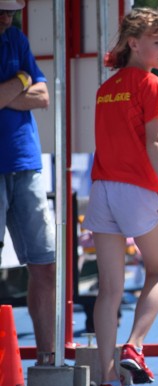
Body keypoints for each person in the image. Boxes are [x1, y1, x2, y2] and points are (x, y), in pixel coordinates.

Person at [82, 7, 158, 386]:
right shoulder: (150, 83)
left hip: (102, 189)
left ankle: (108, 380)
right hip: (138, 188)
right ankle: (134, 346)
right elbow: (155, 141)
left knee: (109, 289)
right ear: (134, 43)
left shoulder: (107, 87)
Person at [0, 0, 55, 366]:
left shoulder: (15, 37)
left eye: (11, 11)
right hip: (17, 160)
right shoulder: (16, 41)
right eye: (0, 11)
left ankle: (48, 360)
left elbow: (44, 96)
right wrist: (22, 80)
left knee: (45, 263)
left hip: (26, 162)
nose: (6, 17)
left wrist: (14, 86)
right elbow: (30, 90)